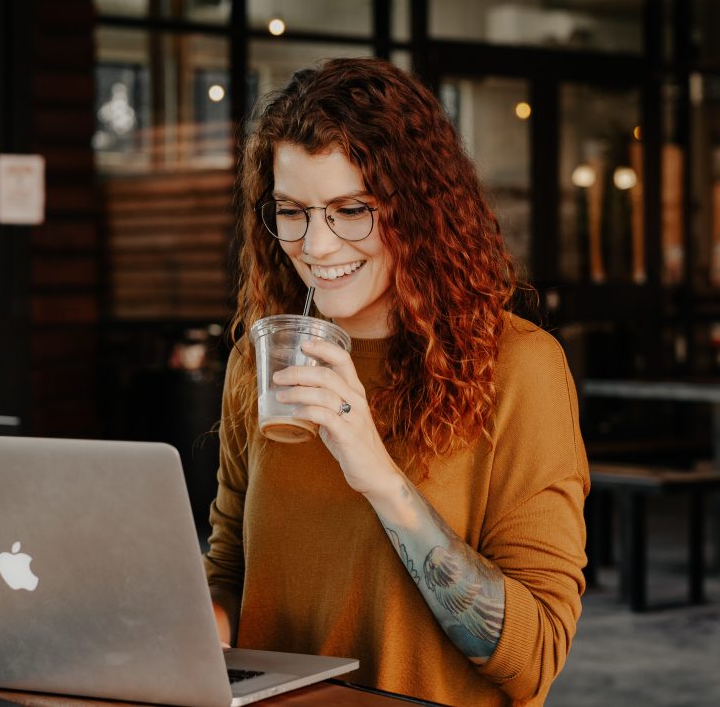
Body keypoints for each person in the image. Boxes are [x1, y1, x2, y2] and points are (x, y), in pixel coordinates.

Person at [204, 57, 589, 706]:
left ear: (419, 208)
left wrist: (378, 476)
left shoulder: (519, 368)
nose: (317, 245)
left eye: (351, 209)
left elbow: (536, 657)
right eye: (292, 211)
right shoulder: (263, 361)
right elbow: (232, 570)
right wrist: (185, 633)